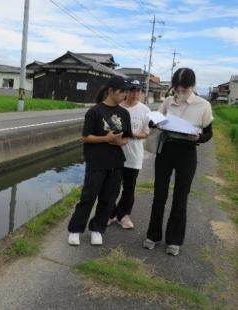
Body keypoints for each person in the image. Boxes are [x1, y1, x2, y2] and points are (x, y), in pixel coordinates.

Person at [143, 68, 213, 256]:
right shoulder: (167, 101)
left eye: (184, 90)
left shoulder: (203, 105)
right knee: (159, 193)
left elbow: (208, 133)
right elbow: (154, 120)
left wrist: (197, 138)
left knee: (181, 197)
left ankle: (174, 240)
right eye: (177, 90)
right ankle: (153, 235)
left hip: (187, 152)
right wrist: (154, 122)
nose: (180, 94)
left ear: (193, 87)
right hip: (166, 148)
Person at [68, 76, 133, 246]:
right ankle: (75, 229)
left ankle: (97, 228)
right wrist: (107, 138)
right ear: (110, 91)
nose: (124, 95)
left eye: (126, 92)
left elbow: (126, 138)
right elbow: (86, 137)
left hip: (116, 162)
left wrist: (119, 142)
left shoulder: (124, 113)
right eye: (122, 92)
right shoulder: (95, 111)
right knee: (88, 197)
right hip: (96, 161)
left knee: (109, 198)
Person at [108, 79, 150, 229]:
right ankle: (111, 214)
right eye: (132, 89)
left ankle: (123, 215)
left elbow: (146, 133)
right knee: (112, 187)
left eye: (138, 90)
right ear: (126, 91)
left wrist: (132, 134)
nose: (135, 93)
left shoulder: (145, 110)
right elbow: (110, 130)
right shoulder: (117, 107)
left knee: (129, 188)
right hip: (115, 154)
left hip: (134, 155)